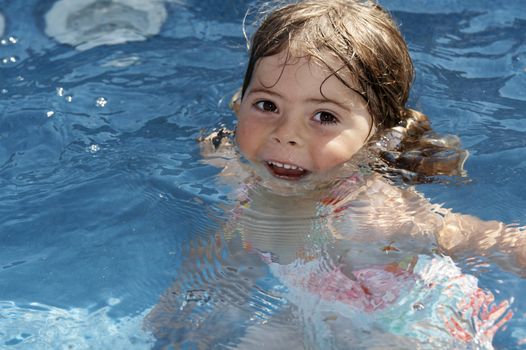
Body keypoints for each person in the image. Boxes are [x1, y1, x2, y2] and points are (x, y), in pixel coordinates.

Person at [146, 0, 525, 348]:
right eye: (267, 104)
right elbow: (235, 237)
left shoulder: (370, 211)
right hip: (313, 309)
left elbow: (481, 238)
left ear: (374, 133)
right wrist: (197, 292)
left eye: (324, 116)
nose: (286, 134)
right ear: (239, 102)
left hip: (410, 322)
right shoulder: (235, 170)